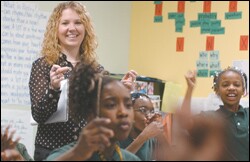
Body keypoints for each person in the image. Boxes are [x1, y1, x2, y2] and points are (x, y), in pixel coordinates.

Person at [29, 1, 137, 160]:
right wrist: (53, 88)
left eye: (78, 22)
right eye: (65, 23)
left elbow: (101, 111)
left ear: (85, 28)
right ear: (55, 29)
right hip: (51, 151)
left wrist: (121, 89)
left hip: (89, 150)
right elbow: (39, 116)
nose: (72, 28)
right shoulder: (43, 65)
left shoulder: (96, 70)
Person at [46, 62, 140, 161]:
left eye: (128, 105)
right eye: (111, 105)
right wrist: (78, 153)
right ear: (90, 112)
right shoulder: (65, 155)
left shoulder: (130, 159)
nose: (123, 112)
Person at [178, 67, 249, 161]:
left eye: (236, 84)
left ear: (243, 90)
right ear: (217, 90)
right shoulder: (211, 119)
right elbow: (184, 122)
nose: (231, 88)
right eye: (225, 85)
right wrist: (190, 89)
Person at [119, 92, 168, 161]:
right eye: (143, 110)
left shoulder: (152, 138)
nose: (149, 116)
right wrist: (144, 136)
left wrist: (161, 136)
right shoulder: (116, 138)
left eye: (152, 111)